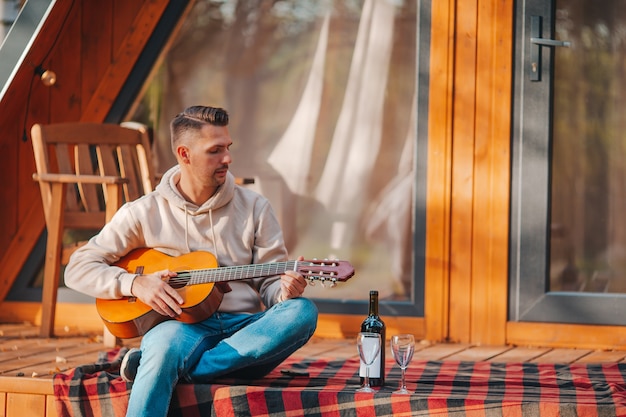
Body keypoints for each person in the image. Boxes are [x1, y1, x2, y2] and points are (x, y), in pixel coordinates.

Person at [64, 105, 318, 417]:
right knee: (164, 348)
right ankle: (170, 362)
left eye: (228, 148)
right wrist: (135, 283)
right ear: (184, 154)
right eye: (215, 151)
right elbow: (78, 267)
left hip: (245, 331)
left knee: (302, 312)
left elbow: (269, 286)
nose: (228, 159)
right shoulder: (143, 213)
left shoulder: (255, 208)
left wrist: (284, 293)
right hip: (178, 326)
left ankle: (186, 368)